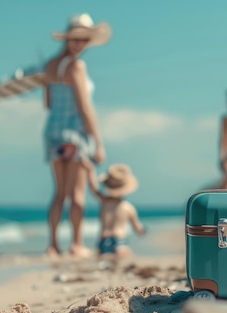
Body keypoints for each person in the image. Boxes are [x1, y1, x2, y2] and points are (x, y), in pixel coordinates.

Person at [43, 13, 111, 257]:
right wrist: (98, 142)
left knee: (59, 193)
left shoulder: (50, 65)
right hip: (75, 134)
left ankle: (52, 245)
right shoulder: (77, 66)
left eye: (84, 39)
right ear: (69, 38)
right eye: (77, 39)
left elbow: (48, 103)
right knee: (77, 194)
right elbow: (85, 107)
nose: (80, 44)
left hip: (53, 132)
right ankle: (76, 244)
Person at [81, 158, 147, 259]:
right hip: (119, 241)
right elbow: (137, 228)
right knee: (127, 259)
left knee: (103, 264)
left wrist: (90, 170)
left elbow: (93, 188)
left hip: (103, 239)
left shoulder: (104, 202)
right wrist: (143, 231)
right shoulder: (128, 207)